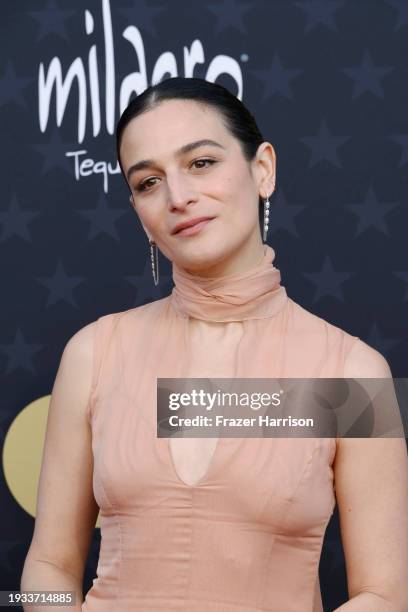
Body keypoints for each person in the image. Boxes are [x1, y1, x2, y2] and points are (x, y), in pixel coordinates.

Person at [21, 77, 408, 611]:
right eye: (148, 182)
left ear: (263, 168)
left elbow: (386, 593)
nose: (179, 197)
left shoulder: (354, 372)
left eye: (201, 163)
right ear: (136, 208)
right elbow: (47, 567)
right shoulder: (94, 352)